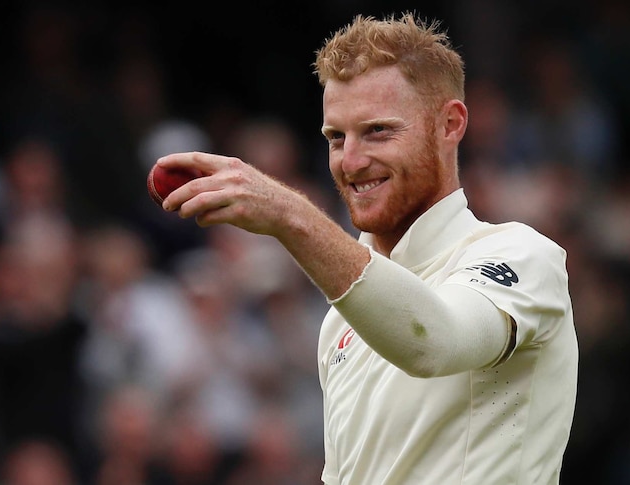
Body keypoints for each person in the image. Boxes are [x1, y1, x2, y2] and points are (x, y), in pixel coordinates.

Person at [154, 12, 578, 484]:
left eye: (378, 130)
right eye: (336, 137)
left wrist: (289, 215)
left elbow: (431, 342)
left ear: (449, 125)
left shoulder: (524, 254)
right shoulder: (342, 317)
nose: (351, 162)